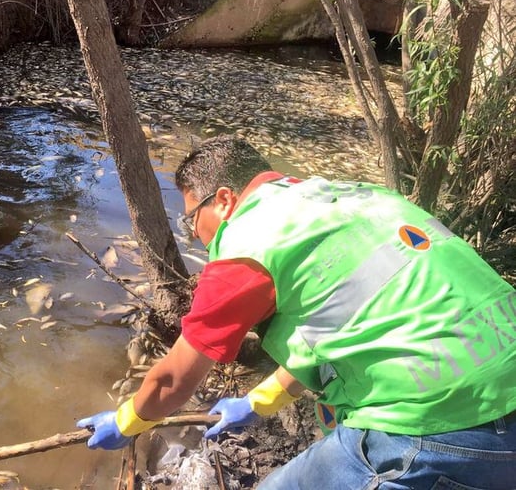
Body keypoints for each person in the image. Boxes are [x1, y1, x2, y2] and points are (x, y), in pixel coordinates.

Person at [76, 135, 516, 489]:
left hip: (437, 428)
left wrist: (126, 420)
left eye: (191, 219)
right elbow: (355, 327)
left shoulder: (247, 245)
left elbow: (173, 380)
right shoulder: (358, 197)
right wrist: (257, 401)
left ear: (225, 199)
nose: (194, 234)